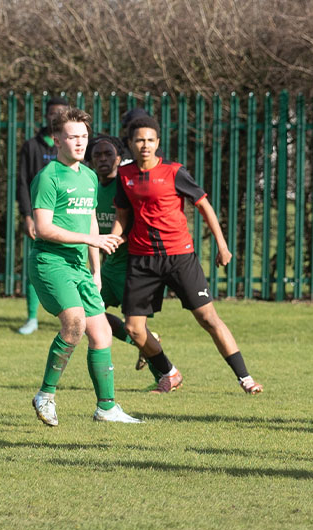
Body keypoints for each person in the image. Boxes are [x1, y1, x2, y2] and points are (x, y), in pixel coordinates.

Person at [112, 115, 263, 395]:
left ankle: (246, 379)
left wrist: (222, 245)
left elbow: (204, 206)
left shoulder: (174, 171)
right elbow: (122, 216)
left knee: (208, 319)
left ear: (157, 142)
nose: (144, 145)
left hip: (180, 256)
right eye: (139, 140)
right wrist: (114, 237)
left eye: (150, 140)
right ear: (130, 144)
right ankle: (170, 372)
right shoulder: (125, 175)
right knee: (134, 329)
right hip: (142, 259)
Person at [28, 106, 141, 425]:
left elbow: (91, 220)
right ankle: (45, 395)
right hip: (51, 262)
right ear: (56, 140)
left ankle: (106, 407)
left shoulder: (90, 176)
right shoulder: (48, 177)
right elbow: (44, 228)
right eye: (72, 136)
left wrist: (95, 270)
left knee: (102, 333)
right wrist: (93, 241)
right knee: (74, 324)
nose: (80, 142)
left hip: (80, 266)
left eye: (84, 136)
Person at [89, 134, 162, 375]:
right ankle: (145, 346)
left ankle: (164, 374)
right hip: (109, 267)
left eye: (108, 154)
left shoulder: (126, 186)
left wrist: (121, 238)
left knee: (137, 327)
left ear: (119, 158)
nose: (102, 159)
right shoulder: (91, 189)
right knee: (88, 312)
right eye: (97, 154)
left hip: (131, 267)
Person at [15, 96, 70, 335]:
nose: (55, 117)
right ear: (46, 116)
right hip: (40, 216)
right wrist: (27, 216)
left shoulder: (70, 145)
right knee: (37, 263)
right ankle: (31, 318)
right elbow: (23, 183)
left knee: (71, 265)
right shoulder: (32, 146)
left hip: (66, 216)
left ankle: (70, 315)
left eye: (60, 113)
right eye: (52, 113)